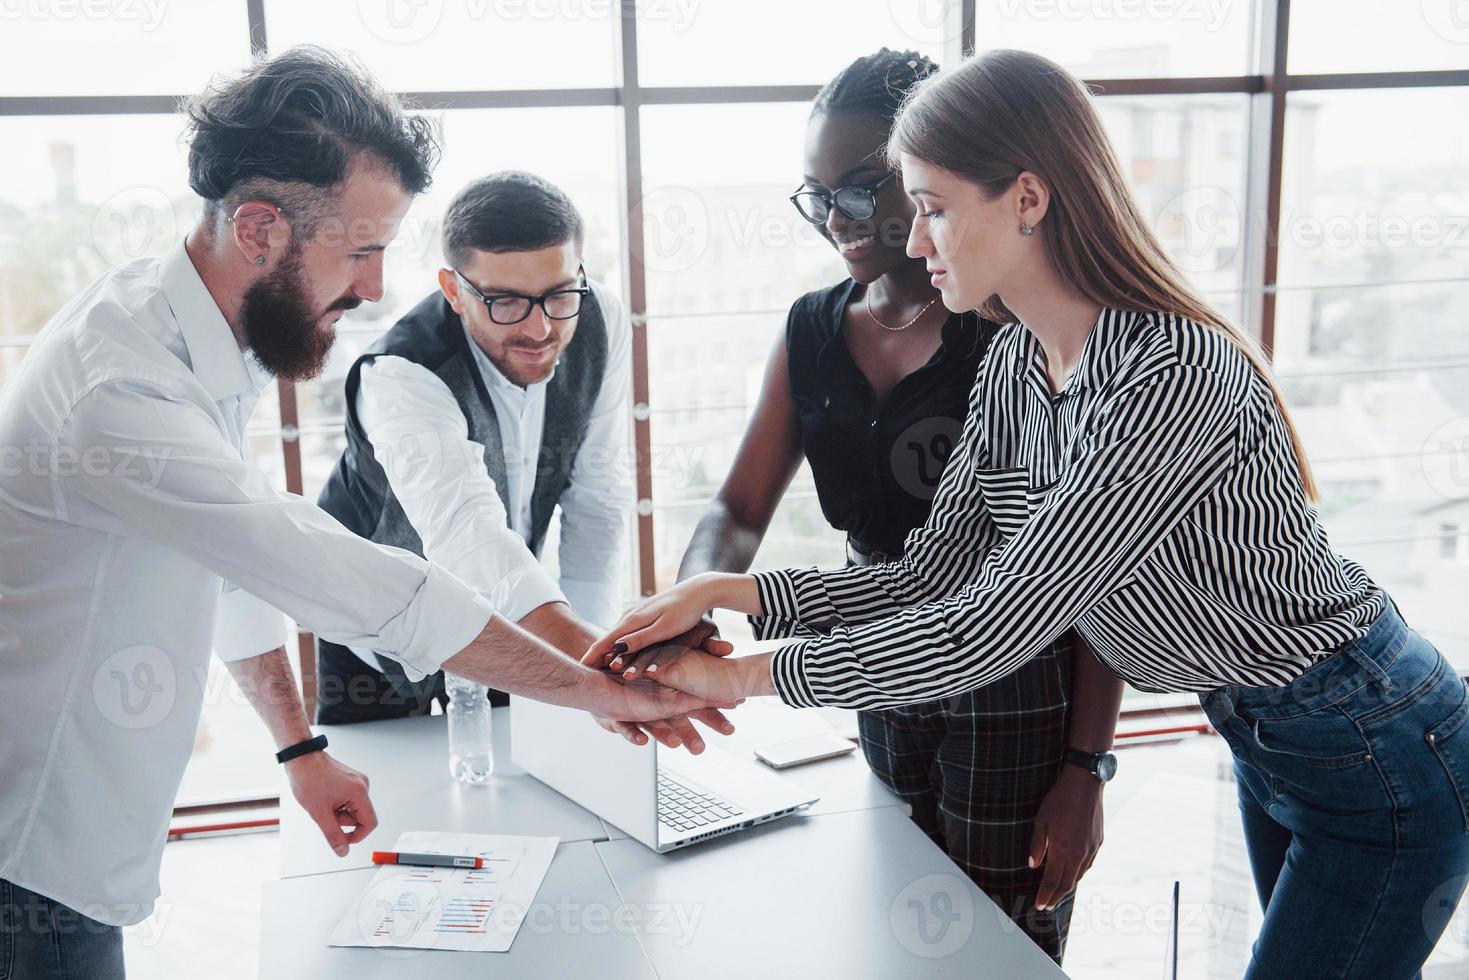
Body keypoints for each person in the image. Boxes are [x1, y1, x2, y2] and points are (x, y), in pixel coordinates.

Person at [589, 49, 1469, 978]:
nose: (916, 243)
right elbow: (933, 575)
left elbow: (989, 626)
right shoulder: (1015, 364)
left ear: (1026, 199)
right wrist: (733, 591)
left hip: (1370, 737)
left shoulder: (1171, 376)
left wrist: (739, 681)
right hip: (1264, 729)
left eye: (929, 208)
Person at [0, 47, 726, 979]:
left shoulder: (187, 334)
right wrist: (595, 687)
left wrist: (297, 748)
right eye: (362, 250)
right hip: (34, 842)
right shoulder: (123, 390)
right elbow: (334, 573)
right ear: (259, 228)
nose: (378, 289)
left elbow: (228, 560)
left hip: (75, 827)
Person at [613, 49, 1119, 962]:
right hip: (876, 653)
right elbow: (748, 509)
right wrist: (694, 610)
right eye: (816, 196)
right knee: (906, 916)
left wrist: (1085, 767)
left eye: (863, 190)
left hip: (1016, 666)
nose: (837, 221)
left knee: (1003, 939)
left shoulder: (1014, 325)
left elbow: (1083, 574)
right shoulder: (816, 327)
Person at [311, 171, 731, 751]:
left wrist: (595, 660)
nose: (540, 329)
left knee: (536, 783)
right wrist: (605, 670)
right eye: (505, 301)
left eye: (560, 294)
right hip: (375, 624)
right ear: (454, 290)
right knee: (394, 804)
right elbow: (468, 534)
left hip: (514, 611)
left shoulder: (599, 320)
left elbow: (598, 503)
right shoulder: (402, 375)